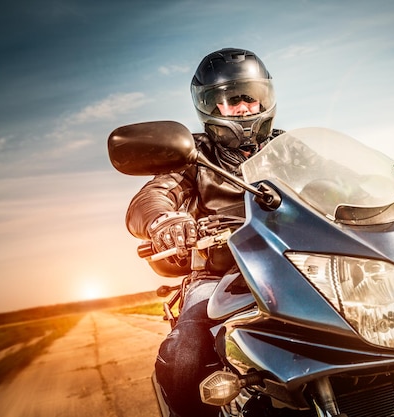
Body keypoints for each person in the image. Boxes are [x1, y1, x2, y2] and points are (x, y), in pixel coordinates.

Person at [125, 48, 283, 417]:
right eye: (230, 99)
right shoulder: (194, 155)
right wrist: (164, 220)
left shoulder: (292, 149)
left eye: (249, 96)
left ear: (265, 96)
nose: (243, 107)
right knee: (186, 353)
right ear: (210, 107)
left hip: (300, 263)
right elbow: (153, 196)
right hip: (222, 273)